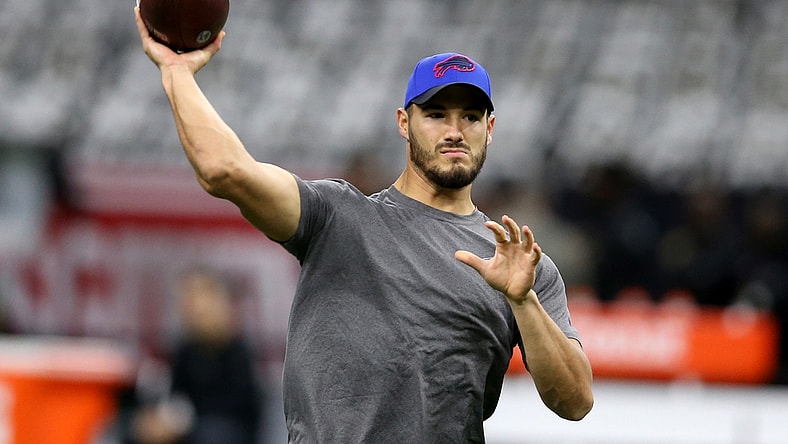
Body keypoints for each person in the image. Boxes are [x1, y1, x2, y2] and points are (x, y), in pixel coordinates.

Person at [134, 9, 593, 443]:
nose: (455, 130)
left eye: (470, 117)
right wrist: (176, 73)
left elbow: (575, 402)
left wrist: (523, 301)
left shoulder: (520, 267)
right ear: (403, 123)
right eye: (436, 114)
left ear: (489, 129)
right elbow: (224, 171)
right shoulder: (337, 216)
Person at [123, 268, 263, 444]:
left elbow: (237, 409)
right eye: (187, 300)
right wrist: (160, 421)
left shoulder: (239, 354)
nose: (194, 307)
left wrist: (182, 423)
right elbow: (176, 398)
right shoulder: (185, 352)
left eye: (201, 297)